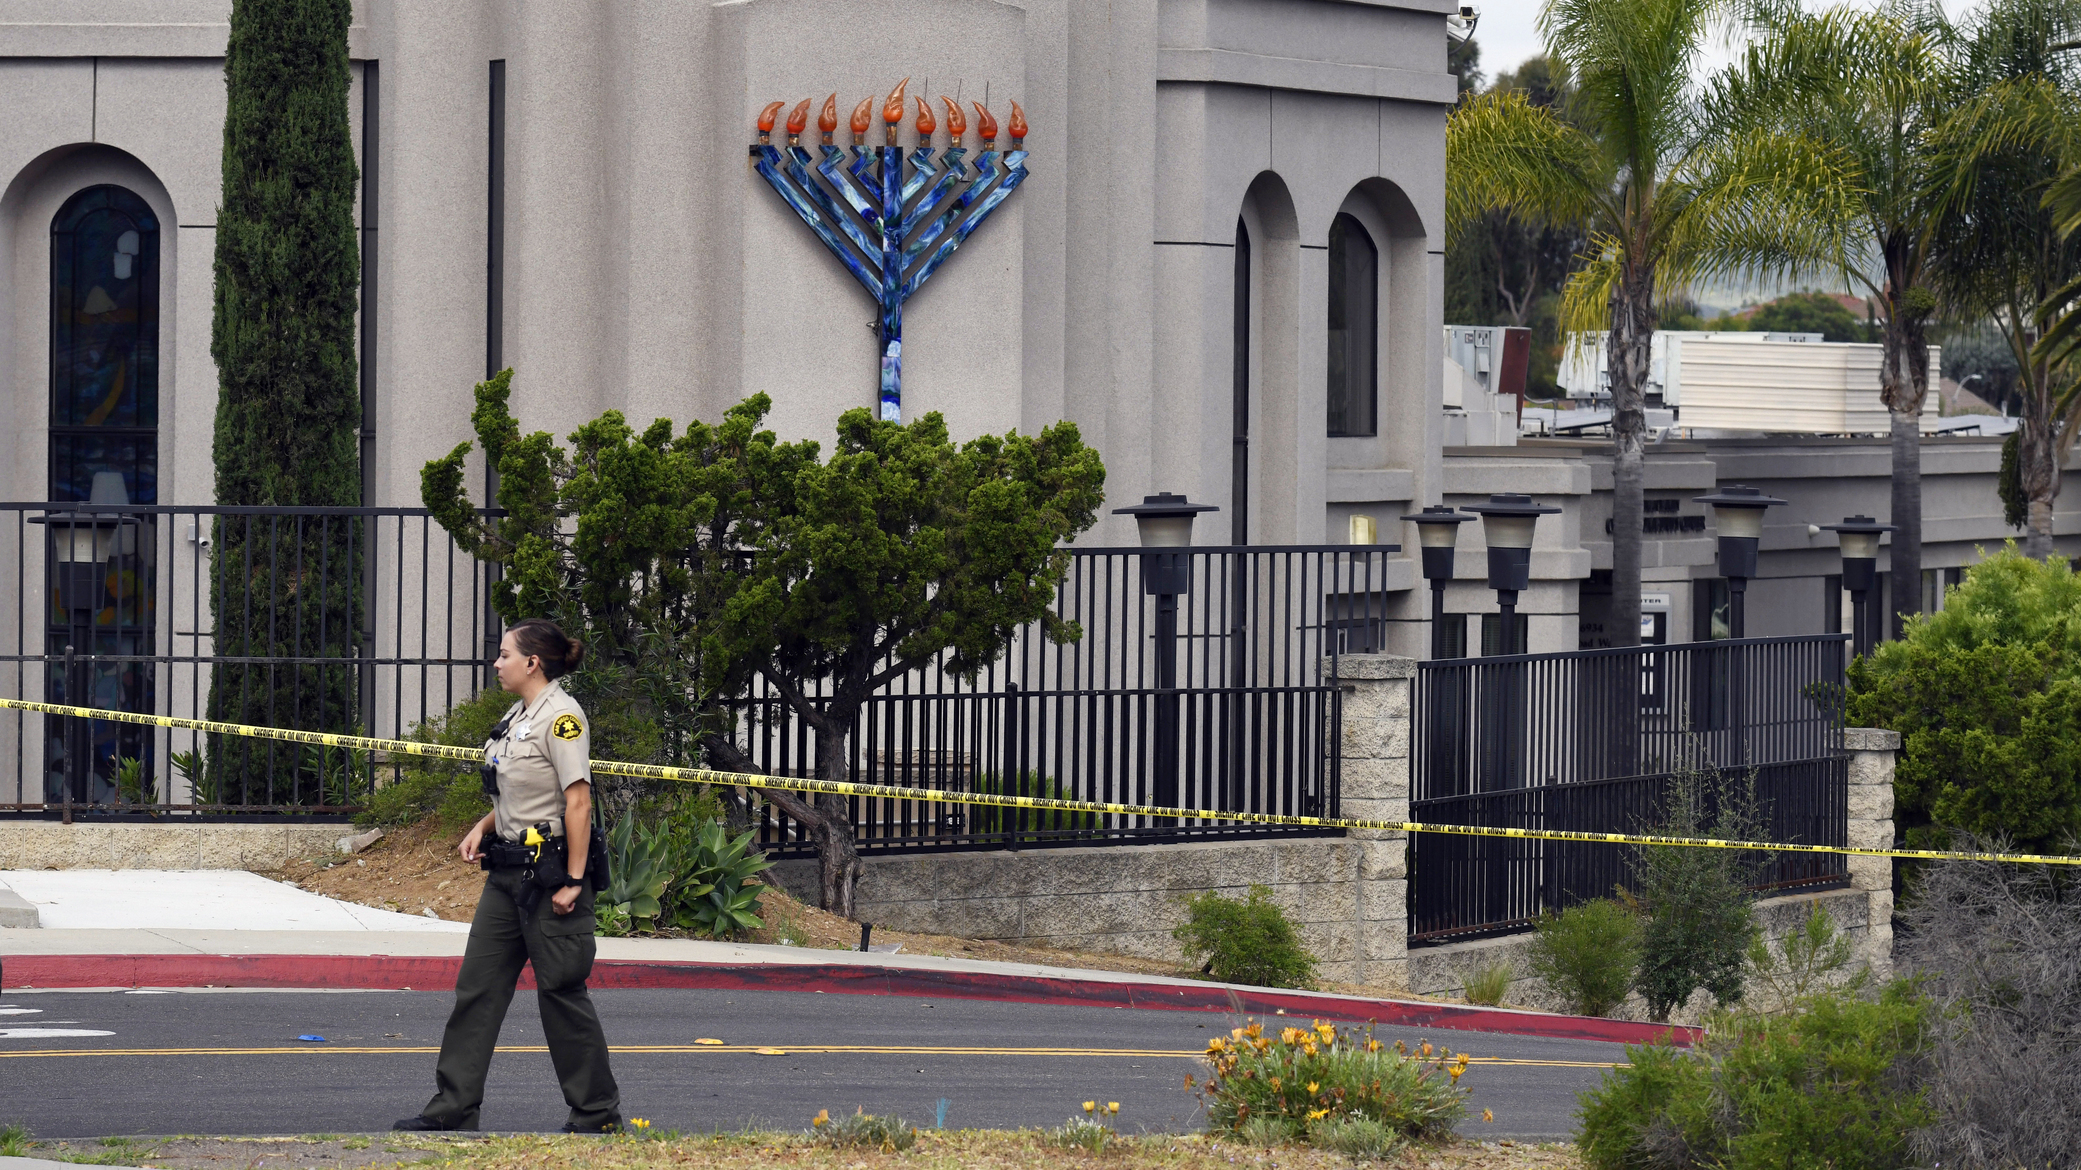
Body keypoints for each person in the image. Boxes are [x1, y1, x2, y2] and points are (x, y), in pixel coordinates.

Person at [393, 618, 622, 1133]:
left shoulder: (562, 717)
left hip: (551, 877)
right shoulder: (517, 714)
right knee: (477, 989)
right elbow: (519, 791)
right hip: (506, 874)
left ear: (532, 662)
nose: (496, 664)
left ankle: (597, 1114)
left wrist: (575, 880)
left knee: (561, 992)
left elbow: (577, 800)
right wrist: (482, 825)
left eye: (503, 655)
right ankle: (454, 1107)